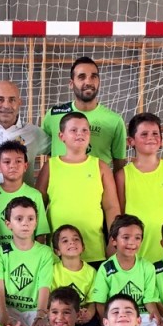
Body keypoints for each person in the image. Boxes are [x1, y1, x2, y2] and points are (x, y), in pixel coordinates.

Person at [37, 112, 121, 265]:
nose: (80, 134)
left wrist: (113, 241)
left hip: (94, 251)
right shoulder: (50, 166)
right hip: (58, 253)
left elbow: (111, 207)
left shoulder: (101, 167)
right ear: (61, 136)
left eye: (84, 130)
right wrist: (38, 240)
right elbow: (39, 206)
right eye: (73, 130)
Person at [88, 215, 163, 326]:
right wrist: (106, 322)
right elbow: (100, 302)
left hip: (140, 315)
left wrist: (156, 316)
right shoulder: (106, 268)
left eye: (137, 238)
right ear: (114, 241)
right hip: (116, 316)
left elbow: (149, 299)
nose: (132, 242)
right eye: (126, 237)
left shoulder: (147, 267)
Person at [115, 113, 163, 262]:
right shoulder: (123, 175)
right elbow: (119, 216)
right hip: (135, 251)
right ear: (131, 141)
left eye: (155, 133)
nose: (151, 137)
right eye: (144, 134)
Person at [40, 56, 127, 170]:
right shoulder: (53, 115)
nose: (88, 82)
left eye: (93, 77)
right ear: (71, 83)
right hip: (61, 185)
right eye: (82, 77)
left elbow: (119, 165)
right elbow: (48, 152)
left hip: (97, 187)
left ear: (99, 81)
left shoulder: (114, 121)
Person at [0, 80, 50, 197]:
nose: (6, 105)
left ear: (20, 102)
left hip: (24, 211)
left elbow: (60, 150)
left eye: (12, 100)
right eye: (0, 100)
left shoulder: (34, 133)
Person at [0, 197, 55, 326]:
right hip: (8, 309)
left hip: (34, 310)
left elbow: (44, 286)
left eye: (30, 219)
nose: (25, 223)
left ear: (36, 222)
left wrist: (41, 314)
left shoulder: (45, 252)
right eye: (19, 219)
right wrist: (3, 315)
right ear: (8, 224)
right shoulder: (1, 252)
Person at [0, 140, 51, 247]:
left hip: (27, 255)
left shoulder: (35, 195)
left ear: (25, 166)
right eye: (7, 162)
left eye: (18, 161)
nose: (13, 166)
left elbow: (40, 232)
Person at [50, 224, 100, 326]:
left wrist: (89, 314)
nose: (71, 242)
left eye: (76, 239)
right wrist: (68, 315)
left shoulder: (91, 272)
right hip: (61, 317)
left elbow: (93, 301)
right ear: (57, 251)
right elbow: (50, 302)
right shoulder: (53, 271)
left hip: (83, 317)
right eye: (65, 241)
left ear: (83, 247)